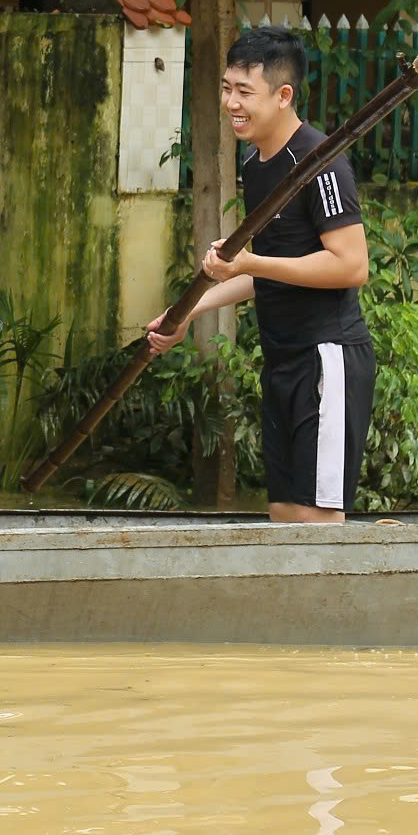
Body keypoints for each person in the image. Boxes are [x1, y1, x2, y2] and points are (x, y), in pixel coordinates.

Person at [146, 26, 373, 522]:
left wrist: (249, 261)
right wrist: (188, 312)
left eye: (245, 92)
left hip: (326, 356)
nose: (232, 103)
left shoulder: (320, 162)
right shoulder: (256, 163)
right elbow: (271, 269)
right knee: (284, 516)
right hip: (281, 360)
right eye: (227, 88)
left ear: (283, 94)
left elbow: (352, 265)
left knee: (317, 522)